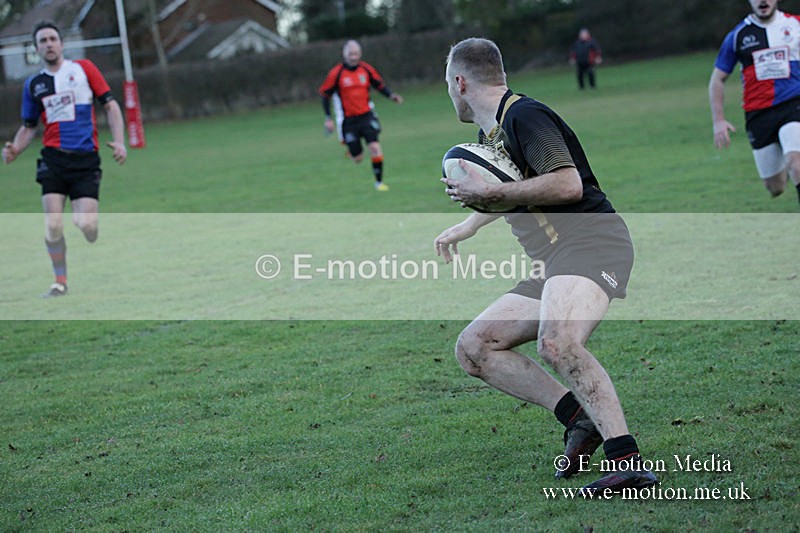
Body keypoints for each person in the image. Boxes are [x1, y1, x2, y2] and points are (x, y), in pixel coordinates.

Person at [435, 37, 657, 493]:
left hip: (592, 242)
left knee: (558, 342)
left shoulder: (524, 115)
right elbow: (516, 184)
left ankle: (627, 461)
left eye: (447, 84)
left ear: (459, 82)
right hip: (555, 259)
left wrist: (492, 196)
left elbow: (566, 184)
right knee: (475, 347)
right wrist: (471, 224)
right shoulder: (491, 133)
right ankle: (580, 419)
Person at [2, 21, 126, 297]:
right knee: (53, 223)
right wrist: (15, 149)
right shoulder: (34, 85)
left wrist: (119, 141)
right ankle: (60, 281)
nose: (48, 44)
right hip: (53, 161)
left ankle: (90, 229)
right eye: (42, 40)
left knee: (85, 224)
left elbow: (111, 105)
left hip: (85, 161)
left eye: (52, 39)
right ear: (36, 49)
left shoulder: (83, 69)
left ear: (61, 43)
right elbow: (29, 127)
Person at [710, 0, 800, 205]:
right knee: (775, 187)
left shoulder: (795, 25)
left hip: (794, 104)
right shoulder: (738, 36)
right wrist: (719, 120)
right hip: (758, 113)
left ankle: (792, 154)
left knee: (796, 162)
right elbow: (717, 79)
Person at [319, 39, 403, 192]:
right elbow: (325, 95)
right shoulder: (336, 73)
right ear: (344, 54)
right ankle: (351, 150)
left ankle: (379, 183)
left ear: (360, 54)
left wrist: (392, 96)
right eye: (350, 54)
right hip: (348, 120)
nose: (353, 57)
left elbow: (379, 85)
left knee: (375, 147)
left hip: (366, 115)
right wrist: (327, 118)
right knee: (357, 158)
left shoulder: (366, 69)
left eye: (356, 53)